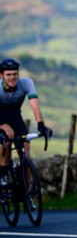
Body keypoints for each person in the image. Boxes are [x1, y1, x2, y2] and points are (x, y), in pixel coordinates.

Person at [0, 58, 52, 189]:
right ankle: (4, 173)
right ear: (2, 75)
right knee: (9, 135)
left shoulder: (27, 83)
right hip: (1, 119)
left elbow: (34, 105)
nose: (12, 77)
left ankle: (26, 188)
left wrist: (41, 125)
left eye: (15, 74)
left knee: (26, 150)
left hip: (16, 117)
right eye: (8, 75)